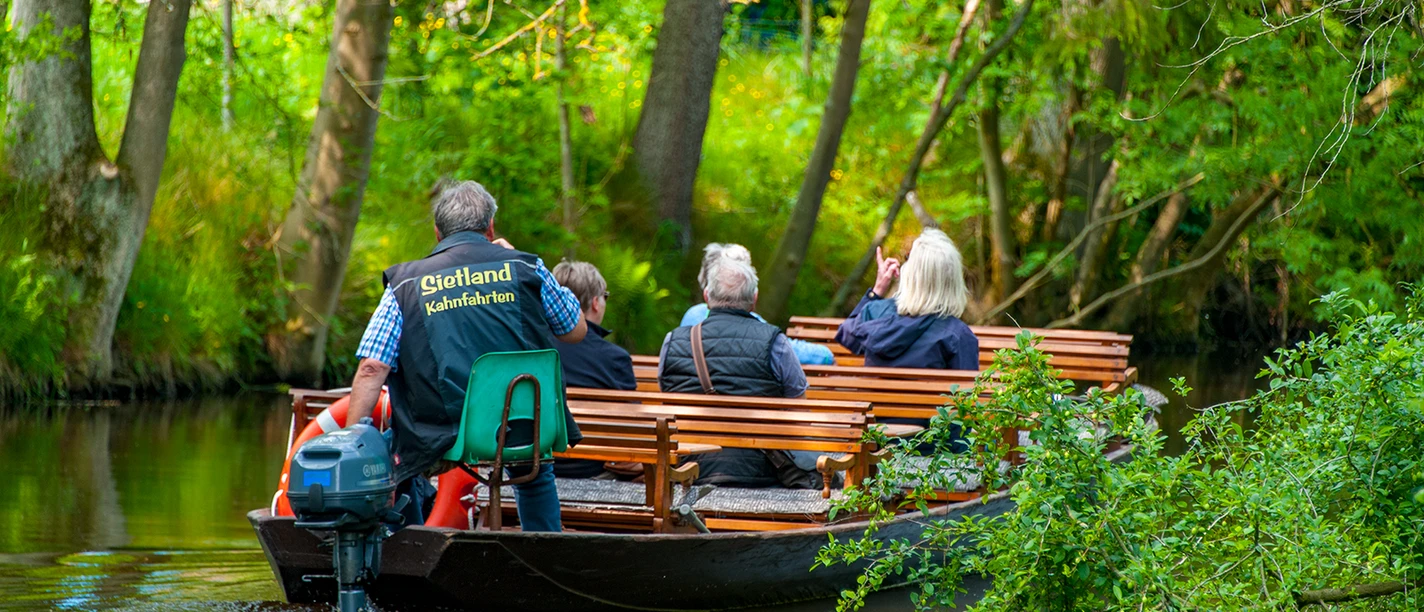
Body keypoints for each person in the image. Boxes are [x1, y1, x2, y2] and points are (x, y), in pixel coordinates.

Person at [345, 180, 587, 532]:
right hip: (520, 427)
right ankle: (544, 548)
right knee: (533, 467)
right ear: (490, 227)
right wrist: (521, 259)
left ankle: (410, 549)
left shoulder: (405, 284)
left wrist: (355, 441)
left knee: (399, 459)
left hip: (439, 432)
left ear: (437, 232)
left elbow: (372, 367)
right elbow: (575, 329)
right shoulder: (527, 268)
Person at [658, 256, 821, 488]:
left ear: (706, 297)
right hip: (761, 470)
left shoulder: (673, 341)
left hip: (686, 467)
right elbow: (798, 411)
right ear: (754, 299)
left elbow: (666, 397)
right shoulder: (775, 342)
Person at [835, 229, 979, 371]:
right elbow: (967, 392)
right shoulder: (958, 335)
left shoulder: (877, 312)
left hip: (869, 395)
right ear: (953, 281)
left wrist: (877, 291)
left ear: (909, 274)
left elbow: (847, 336)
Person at [679, 243, 836, 366]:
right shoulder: (754, 325)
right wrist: (825, 355)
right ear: (752, 293)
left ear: (707, 290)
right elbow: (786, 351)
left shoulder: (691, 317)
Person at [548, 260, 636, 478]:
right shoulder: (614, 358)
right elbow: (634, 426)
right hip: (593, 470)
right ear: (595, 302)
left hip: (538, 465)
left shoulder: (532, 348)